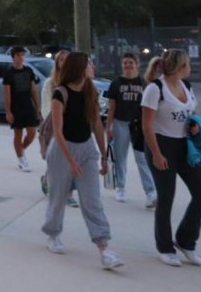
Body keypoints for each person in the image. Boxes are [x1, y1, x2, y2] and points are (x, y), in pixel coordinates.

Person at [41, 52, 123, 270]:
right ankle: (52, 234)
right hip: (62, 150)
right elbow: (57, 131)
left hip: (87, 149)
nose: (92, 67)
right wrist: (70, 160)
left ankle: (104, 248)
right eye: (89, 64)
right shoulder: (60, 93)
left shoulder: (91, 91)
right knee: (57, 197)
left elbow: (96, 123)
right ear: (79, 67)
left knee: (92, 200)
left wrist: (104, 156)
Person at [141, 49, 201, 267]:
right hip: (161, 145)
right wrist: (157, 154)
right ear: (179, 67)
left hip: (184, 146)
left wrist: (195, 124)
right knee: (166, 197)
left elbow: (191, 113)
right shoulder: (155, 89)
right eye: (188, 64)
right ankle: (164, 247)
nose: (191, 68)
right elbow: (147, 126)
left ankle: (186, 240)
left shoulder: (187, 86)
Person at [105, 53, 157, 207]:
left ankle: (150, 192)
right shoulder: (116, 83)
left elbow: (150, 107)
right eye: (125, 63)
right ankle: (120, 188)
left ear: (137, 64)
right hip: (120, 123)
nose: (128, 65)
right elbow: (111, 107)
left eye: (130, 63)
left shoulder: (144, 83)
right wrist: (108, 127)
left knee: (142, 158)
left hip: (139, 125)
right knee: (120, 158)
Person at [40, 49, 78, 207]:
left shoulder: (77, 82)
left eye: (67, 60)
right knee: (56, 161)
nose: (64, 63)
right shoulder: (50, 83)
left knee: (72, 159)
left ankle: (68, 193)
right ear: (57, 63)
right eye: (61, 60)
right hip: (56, 128)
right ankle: (47, 178)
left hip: (73, 128)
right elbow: (46, 107)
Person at [3, 46, 41, 171]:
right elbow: (7, 94)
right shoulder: (9, 73)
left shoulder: (29, 71)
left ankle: (21, 149)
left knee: (32, 133)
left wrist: (37, 107)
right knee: (18, 134)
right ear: (13, 57)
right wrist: (8, 111)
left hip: (28, 105)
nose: (21, 57)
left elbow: (33, 90)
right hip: (16, 107)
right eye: (18, 55)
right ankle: (21, 159)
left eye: (22, 55)